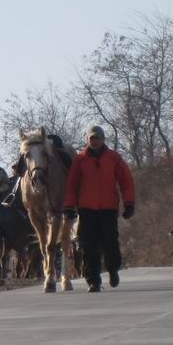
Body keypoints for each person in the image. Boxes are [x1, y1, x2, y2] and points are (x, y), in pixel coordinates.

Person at [63, 125, 136, 292]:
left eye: (97, 138)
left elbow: (126, 182)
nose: (95, 141)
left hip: (108, 209)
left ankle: (112, 270)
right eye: (92, 138)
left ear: (103, 139)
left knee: (110, 243)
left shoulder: (114, 158)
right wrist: (69, 206)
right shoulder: (80, 160)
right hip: (86, 209)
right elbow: (72, 186)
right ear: (88, 140)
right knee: (89, 246)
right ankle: (93, 281)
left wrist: (129, 203)